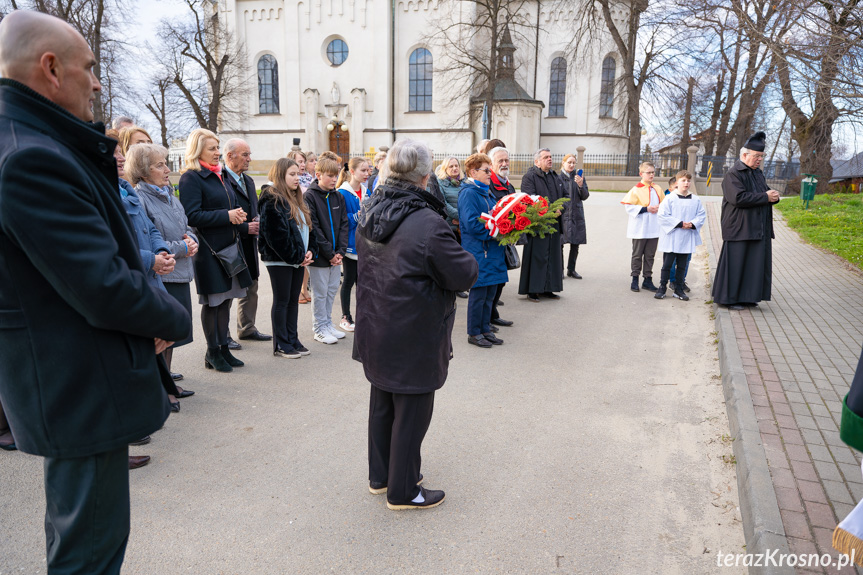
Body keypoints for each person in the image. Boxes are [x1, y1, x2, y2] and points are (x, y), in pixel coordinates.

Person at [0, 11, 190, 573]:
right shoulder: (32, 157)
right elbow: (100, 283)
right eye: (89, 68)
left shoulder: (32, 142)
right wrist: (173, 320)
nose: (99, 81)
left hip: (74, 379)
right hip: (77, 382)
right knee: (89, 549)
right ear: (50, 68)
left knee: (82, 534)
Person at [354, 138, 478, 510]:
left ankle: (382, 476)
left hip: (377, 323)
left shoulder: (372, 207)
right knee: (411, 411)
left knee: (383, 402)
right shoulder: (426, 222)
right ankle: (403, 490)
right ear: (425, 177)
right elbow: (462, 274)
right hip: (412, 329)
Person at [180, 128, 253, 372]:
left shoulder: (219, 174)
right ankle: (212, 351)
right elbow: (192, 216)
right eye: (211, 148)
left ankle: (222, 347)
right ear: (197, 149)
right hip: (209, 251)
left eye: (217, 147)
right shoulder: (191, 177)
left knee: (225, 301)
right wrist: (227, 215)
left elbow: (227, 208)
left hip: (229, 247)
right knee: (213, 303)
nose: (217, 152)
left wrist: (237, 216)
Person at [127, 143, 199, 388]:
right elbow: (148, 237)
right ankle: (161, 385)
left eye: (165, 163)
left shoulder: (169, 194)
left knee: (172, 335)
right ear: (143, 171)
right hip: (164, 274)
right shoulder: (139, 197)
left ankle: (166, 380)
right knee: (163, 333)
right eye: (160, 165)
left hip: (179, 271)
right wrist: (182, 248)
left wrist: (193, 240)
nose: (167, 169)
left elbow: (186, 227)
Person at [712, 132, 780, 310]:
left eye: (761, 157)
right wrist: (765, 197)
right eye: (757, 156)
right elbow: (738, 198)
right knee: (736, 264)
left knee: (753, 264)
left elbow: (763, 193)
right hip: (739, 227)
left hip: (757, 227)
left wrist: (773, 196)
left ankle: (749, 297)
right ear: (744, 155)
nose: (759, 160)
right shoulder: (733, 174)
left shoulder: (757, 173)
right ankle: (728, 299)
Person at [259, 158, 316, 358]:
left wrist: (310, 251)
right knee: (282, 300)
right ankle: (281, 343)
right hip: (279, 259)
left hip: (298, 258)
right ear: (280, 175)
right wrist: (296, 257)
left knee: (293, 300)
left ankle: (292, 339)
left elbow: (308, 228)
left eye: (298, 174)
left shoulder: (296, 197)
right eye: (292, 174)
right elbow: (276, 235)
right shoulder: (272, 198)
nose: (296, 178)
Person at [224, 138, 271, 345]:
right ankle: (222, 335)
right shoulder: (221, 179)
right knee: (226, 292)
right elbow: (219, 215)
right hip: (230, 244)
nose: (249, 159)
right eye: (245, 155)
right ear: (230, 156)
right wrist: (244, 227)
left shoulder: (249, 181)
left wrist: (257, 220)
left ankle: (247, 328)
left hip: (249, 244)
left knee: (251, 287)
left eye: (249, 154)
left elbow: (254, 209)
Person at [459, 153, 507, 348]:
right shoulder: (469, 193)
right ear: (473, 171)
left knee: (490, 293)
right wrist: (496, 233)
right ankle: (474, 332)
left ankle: (485, 329)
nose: (490, 173)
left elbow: (496, 215)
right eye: (487, 170)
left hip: (492, 250)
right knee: (479, 293)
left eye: (490, 169)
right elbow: (472, 224)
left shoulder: (485, 191)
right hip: (479, 251)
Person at [305, 156, 349, 344]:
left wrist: (340, 251)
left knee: (331, 290)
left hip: (335, 255)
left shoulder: (337, 195)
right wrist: (329, 254)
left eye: (335, 175)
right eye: (330, 176)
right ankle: (319, 328)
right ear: (318, 175)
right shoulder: (310, 196)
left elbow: (344, 224)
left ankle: (328, 323)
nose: (333, 179)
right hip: (320, 255)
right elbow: (313, 227)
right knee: (320, 292)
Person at [519, 148, 566, 302]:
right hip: (537, 225)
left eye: (551, 157)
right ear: (537, 161)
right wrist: (550, 210)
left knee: (553, 257)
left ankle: (548, 288)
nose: (550, 159)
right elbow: (529, 199)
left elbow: (566, 196)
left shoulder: (555, 177)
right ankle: (533, 290)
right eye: (546, 157)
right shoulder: (529, 177)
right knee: (537, 257)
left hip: (554, 224)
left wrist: (560, 208)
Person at [654, 171, 705, 301]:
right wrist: (680, 223)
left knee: (682, 265)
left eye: (688, 181)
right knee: (667, 264)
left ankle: (678, 289)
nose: (686, 183)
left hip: (686, 236)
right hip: (673, 236)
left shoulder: (695, 199)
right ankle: (662, 287)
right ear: (677, 183)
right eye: (683, 180)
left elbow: (701, 215)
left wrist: (692, 224)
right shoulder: (670, 198)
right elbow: (662, 215)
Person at [336, 157, 370, 332]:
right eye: (363, 170)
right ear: (352, 171)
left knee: (363, 282)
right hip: (350, 244)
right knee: (348, 280)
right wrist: (358, 215)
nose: (367, 173)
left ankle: (362, 315)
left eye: (368, 170)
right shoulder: (342, 193)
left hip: (365, 244)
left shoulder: (367, 191)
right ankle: (345, 316)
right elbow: (341, 220)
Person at [621, 162, 664, 292]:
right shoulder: (635, 190)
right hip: (640, 227)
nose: (651, 175)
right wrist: (646, 209)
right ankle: (635, 278)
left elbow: (665, 204)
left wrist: (659, 208)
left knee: (650, 255)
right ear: (641, 174)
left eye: (653, 172)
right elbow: (628, 207)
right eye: (648, 172)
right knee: (637, 255)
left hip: (654, 227)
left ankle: (647, 279)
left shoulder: (658, 189)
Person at [487, 146, 515, 326]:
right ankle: (488, 316)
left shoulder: (508, 184)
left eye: (506, 161)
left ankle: (493, 313)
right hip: (493, 238)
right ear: (491, 164)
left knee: (501, 279)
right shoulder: (489, 183)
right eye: (500, 161)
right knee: (492, 282)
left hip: (506, 237)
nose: (504, 164)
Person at [559, 154, 590, 279]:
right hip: (562, 214)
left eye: (574, 163)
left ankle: (571, 269)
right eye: (569, 162)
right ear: (563, 163)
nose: (571, 165)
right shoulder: (557, 178)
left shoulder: (579, 177)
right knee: (559, 244)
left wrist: (581, 185)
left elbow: (585, 196)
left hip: (576, 214)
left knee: (575, 243)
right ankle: (559, 270)